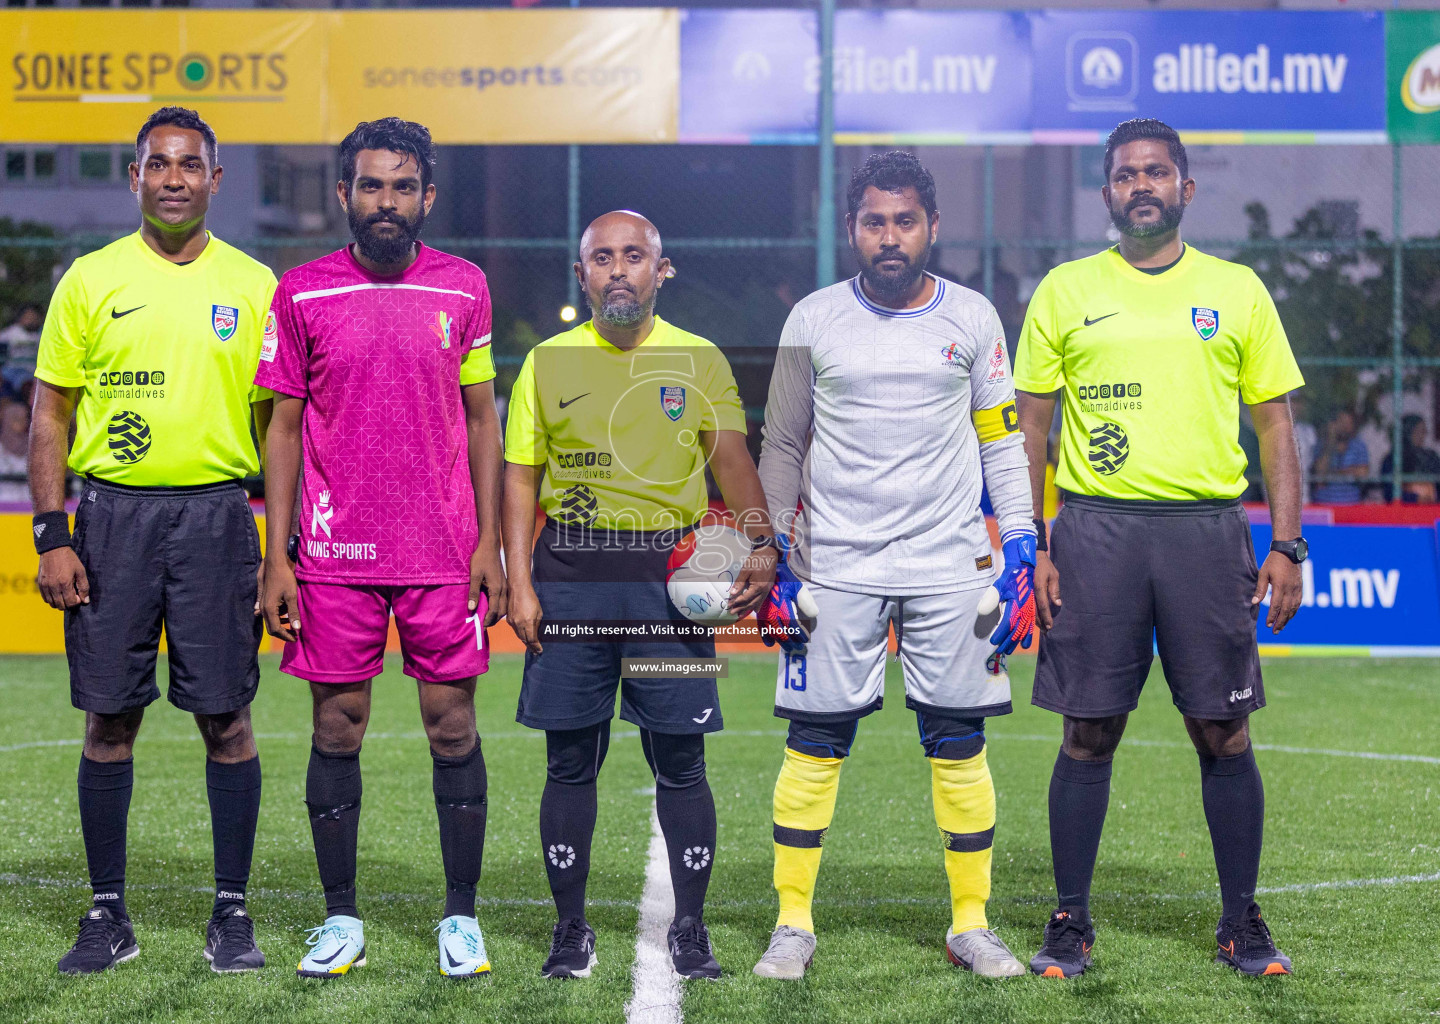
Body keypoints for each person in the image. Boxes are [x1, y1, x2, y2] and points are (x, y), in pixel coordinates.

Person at [1014, 118, 1306, 979]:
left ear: (1185, 186)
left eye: (1156, 172)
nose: (1141, 185)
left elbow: (1276, 425)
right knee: (1088, 730)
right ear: (1107, 193)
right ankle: (1069, 920)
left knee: (1223, 730)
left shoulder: (1238, 288)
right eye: (1125, 175)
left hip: (1206, 533)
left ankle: (1239, 921)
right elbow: (1027, 428)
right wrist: (1034, 540)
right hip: (1094, 531)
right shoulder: (1065, 290)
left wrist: (1286, 544)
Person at [753, 151, 1035, 981]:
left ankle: (970, 925)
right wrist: (773, 550)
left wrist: (1021, 543)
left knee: (958, 739)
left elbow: (1002, 438)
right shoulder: (812, 318)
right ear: (852, 229)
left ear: (932, 227)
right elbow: (782, 441)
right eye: (874, 221)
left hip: (951, 564)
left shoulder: (975, 317)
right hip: (834, 563)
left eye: (904, 220)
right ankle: (793, 924)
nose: (889, 236)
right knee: (815, 741)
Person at [28, 106, 278, 976]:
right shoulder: (89, 280)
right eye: (158, 164)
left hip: (216, 518)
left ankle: (232, 913)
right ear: (133, 177)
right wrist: (51, 534)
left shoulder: (254, 285)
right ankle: (106, 914)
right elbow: (49, 415)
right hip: (110, 521)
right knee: (110, 718)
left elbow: (275, 430)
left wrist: (278, 553)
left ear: (217, 178)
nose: (174, 177)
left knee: (227, 718)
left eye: (191, 164)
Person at [255, 117, 505, 981]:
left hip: (441, 547)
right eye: (371, 185)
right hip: (333, 553)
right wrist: (276, 554)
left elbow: (482, 420)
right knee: (338, 724)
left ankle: (462, 919)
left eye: (402, 186)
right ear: (344, 197)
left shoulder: (463, 287)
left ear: (427, 197)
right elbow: (281, 426)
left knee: (451, 725)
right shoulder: (301, 292)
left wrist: (489, 544)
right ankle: (340, 920)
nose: (386, 201)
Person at [502, 210, 777, 981]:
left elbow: (731, 459)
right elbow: (519, 475)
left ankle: (690, 929)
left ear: (663, 269)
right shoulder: (546, 363)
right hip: (571, 581)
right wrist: (518, 579)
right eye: (602, 258)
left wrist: (761, 541)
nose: (618, 269)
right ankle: (569, 930)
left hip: (669, 584)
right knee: (569, 762)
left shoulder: (698, 358)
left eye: (634, 256)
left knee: (682, 762)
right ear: (580, 273)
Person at [1312, 408, 1370, 505]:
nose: (1344, 428)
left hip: (1351, 504)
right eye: (1342, 422)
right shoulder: (1322, 445)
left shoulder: (1359, 446)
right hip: (1324, 504)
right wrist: (1330, 443)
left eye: (1348, 424)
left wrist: (1332, 473)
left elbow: (1362, 472)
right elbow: (1319, 472)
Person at [1380, 414, 1440, 503]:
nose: (1421, 435)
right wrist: (1415, 498)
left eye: (1423, 431)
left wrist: (1432, 497)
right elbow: (1389, 491)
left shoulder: (1430, 456)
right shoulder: (1393, 458)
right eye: (1417, 431)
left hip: (1432, 506)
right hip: (1406, 509)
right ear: (1407, 432)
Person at [0, 303, 45, 390]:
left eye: (33, 317)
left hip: (33, 370)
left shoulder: (43, 332)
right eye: (28, 317)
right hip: (13, 369)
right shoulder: (12, 331)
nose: (31, 320)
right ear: (21, 318)